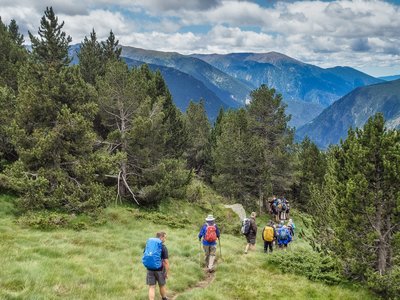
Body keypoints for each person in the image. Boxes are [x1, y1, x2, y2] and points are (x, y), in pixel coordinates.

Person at [144, 232, 169, 300]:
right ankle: (164, 298)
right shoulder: (163, 247)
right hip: (159, 269)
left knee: (152, 287)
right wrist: (166, 272)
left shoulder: (149, 245)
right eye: (165, 237)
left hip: (149, 268)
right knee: (162, 285)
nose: (165, 239)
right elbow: (166, 262)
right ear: (161, 237)